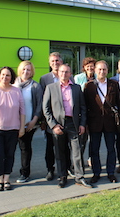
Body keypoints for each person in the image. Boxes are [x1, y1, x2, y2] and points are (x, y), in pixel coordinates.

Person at [42, 64, 92, 188]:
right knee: (60, 152)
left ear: (70, 74)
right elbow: (46, 109)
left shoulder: (76, 88)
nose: (64, 74)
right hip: (58, 124)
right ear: (58, 73)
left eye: (67, 72)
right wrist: (53, 126)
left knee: (77, 152)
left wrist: (82, 124)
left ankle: (79, 177)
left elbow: (83, 108)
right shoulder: (50, 88)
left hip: (73, 123)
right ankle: (62, 176)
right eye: (62, 72)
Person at [84, 60, 120, 184]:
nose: (102, 71)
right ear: (95, 70)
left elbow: (119, 103)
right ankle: (96, 173)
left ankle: (110, 173)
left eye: (104, 69)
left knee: (111, 149)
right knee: (94, 149)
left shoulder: (114, 84)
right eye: (100, 69)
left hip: (110, 122)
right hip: (94, 123)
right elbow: (85, 106)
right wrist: (85, 123)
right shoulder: (89, 86)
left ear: (107, 71)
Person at [14, 61, 43, 183]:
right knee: (8, 148)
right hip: (12, 123)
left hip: (28, 123)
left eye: (29, 70)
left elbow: (39, 105)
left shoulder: (35, 86)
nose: (26, 72)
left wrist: (34, 121)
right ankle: (3, 171)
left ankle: (25, 173)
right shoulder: (12, 85)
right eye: (24, 69)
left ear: (32, 72)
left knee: (25, 148)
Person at [39, 52, 63, 181]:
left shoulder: (68, 76)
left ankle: (65, 168)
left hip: (65, 119)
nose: (55, 63)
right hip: (50, 119)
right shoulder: (44, 79)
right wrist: (44, 120)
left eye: (57, 60)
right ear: (49, 63)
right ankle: (50, 169)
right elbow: (43, 102)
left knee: (65, 146)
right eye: (53, 61)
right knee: (50, 146)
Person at [74, 57, 97, 168]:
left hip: (95, 112)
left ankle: (91, 159)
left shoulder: (98, 77)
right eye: (88, 66)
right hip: (82, 112)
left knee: (94, 138)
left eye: (92, 66)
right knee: (82, 139)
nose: (90, 68)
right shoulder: (78, 78)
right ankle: (78, 162)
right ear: (84, 67)